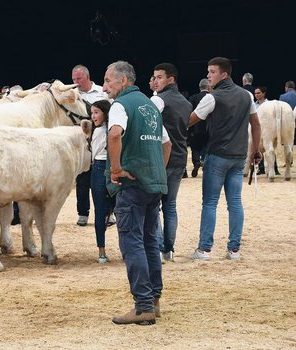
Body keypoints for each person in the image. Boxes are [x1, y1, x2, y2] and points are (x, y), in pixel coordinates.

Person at [103, 60, 171, 325]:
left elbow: (115, 135)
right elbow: (167, 144)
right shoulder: (151, 106)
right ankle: (154, 300)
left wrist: (115, 169)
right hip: (153, 184)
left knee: (132, 243)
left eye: (108, 80)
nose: (106, 86)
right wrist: (156, 170)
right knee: (149, 241)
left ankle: (142, 307)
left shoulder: (121, 105)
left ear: (123, 81)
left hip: (131, 186)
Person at [189, 57, 261, 261]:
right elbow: (256, 125)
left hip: (218, 155)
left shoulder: (213, 97)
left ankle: (204, 249)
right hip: (238, 156)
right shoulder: (246, 95)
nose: (208, 75)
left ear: (224, 74)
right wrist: (256, 150)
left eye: (212, 72)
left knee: (210, 203)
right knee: (235, 203)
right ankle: (234, 250)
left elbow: (190, 120)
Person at [149, 63, 193, 263]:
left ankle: (158, 247)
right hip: (180, 157)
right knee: (171, 205)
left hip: (161, 158)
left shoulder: (158, 100)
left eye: (159, 77)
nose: (155, 80)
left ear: (170, 79)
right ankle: (169, 250)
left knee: (153, 205)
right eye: (154, 77)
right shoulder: (185, 102)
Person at [71, 64, 108, 226]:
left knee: (103, 178)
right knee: (82, 179)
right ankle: (82, 213)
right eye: (73, 79)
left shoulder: (102, 92)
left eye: (78, 78)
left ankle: (108, 212)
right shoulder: (72, 95)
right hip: (81, 142)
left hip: (101, 141)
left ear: (87, 76)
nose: (76, 82)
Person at [88, 100, 116, 263]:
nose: (93, 116)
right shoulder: (113, 129)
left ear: (105, 113)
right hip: (111, 168)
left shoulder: (99, 132)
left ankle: (102, 252)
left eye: (96, 112)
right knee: (116, 210)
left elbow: (94, 154)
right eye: (92, 113)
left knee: (99, 211)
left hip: (99, 168)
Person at [187, 78, 210, 178]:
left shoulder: (193, 98)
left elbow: (189, 113)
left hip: (196, 127)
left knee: (195, 147)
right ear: (208, 87)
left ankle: (196, 161)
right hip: (209, 128)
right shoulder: (212, 97)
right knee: (207, 147)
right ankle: (205, 163)